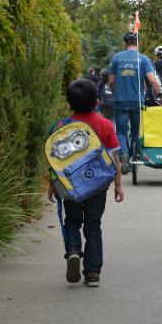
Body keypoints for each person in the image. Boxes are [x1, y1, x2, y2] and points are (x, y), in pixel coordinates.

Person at [47, 79, 124, 286]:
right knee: (93, 225)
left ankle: (72, 250)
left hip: (70, 187)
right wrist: (117, 184)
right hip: (97, 186)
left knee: (72, 221)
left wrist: (52, 186)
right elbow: (115, 159)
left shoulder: (60, 127)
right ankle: (92, 272)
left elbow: (55, 164)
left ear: (70, 104)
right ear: (97, 102)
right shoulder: (105, 125)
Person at [109, 31, 162, 174]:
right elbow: (151, 79)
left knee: (121, 131)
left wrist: (115, 93)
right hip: (137, 101)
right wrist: (160, 93)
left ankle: (123, 153)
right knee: (135, 132)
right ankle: (132, 158)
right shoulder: (143, 59)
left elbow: (111, 80)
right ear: (138, 43)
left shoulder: (116, 58)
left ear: (125, 43)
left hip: (120, 99)